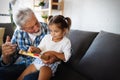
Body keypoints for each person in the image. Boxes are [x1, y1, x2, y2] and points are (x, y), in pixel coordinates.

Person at [0, 8, 55, 80]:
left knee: (29, 78)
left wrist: (52, 56)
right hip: (22, 65)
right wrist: (5, 55)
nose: (37, 29)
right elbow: (8, 62)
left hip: (40, 67)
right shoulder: (18, 33)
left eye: (36, 23)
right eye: (31, 28)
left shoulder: (49, 30)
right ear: (22, 29)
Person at [17, 15, 72, 80]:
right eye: (51, 31)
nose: (52, 33)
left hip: (51, 64)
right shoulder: (47, 37)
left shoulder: (66, 42)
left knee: (44, 71)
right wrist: (34, 49)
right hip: (39, 60)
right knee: (21, 77)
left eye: (56, 31)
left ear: (64, 30)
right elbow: (40, 49)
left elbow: (66, 57)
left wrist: (52, 53)